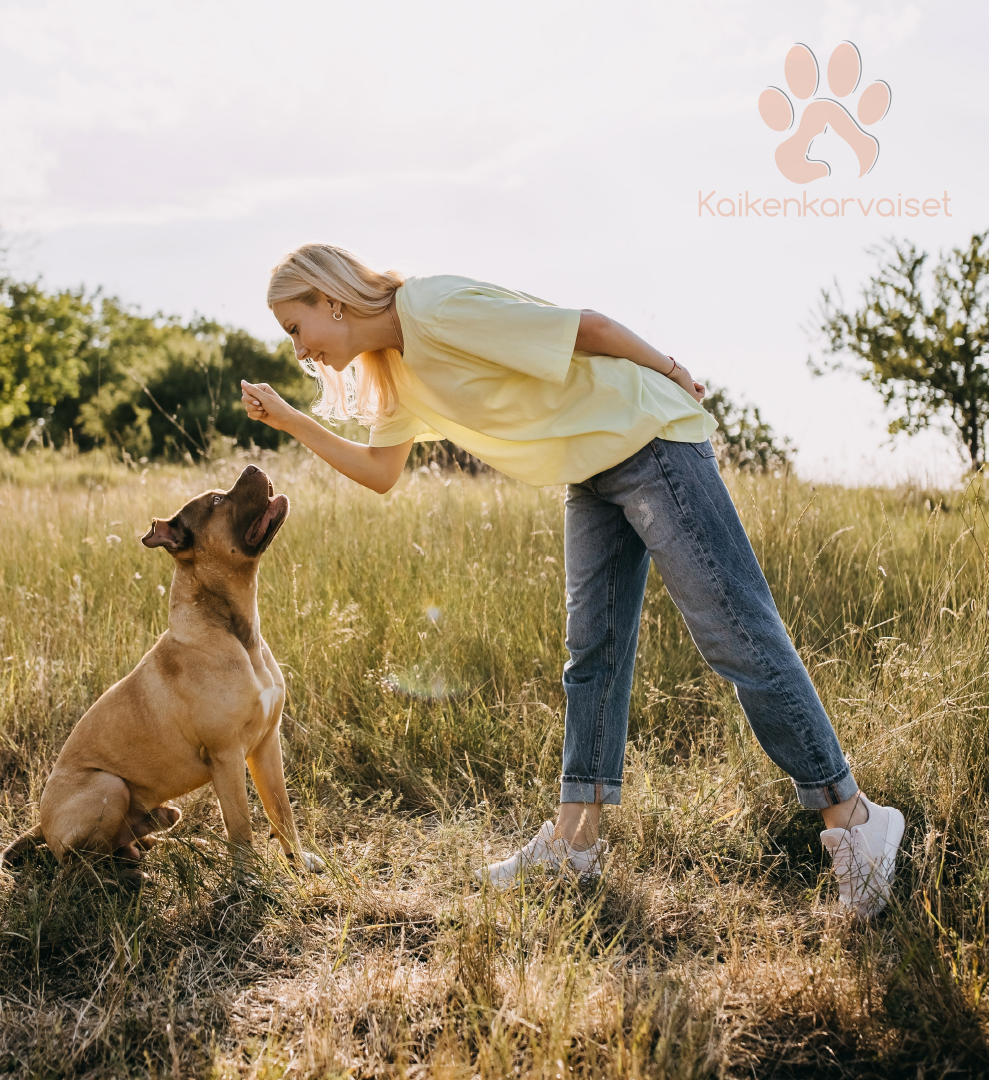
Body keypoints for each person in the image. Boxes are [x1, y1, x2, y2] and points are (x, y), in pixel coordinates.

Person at [240, 243, 904, 916]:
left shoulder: (433, 306)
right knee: (593, 657)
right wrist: (291, 420)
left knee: (735, 632)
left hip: (646, 437)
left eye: (297, 328)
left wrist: (671, 369)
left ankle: (853, 820)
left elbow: (584, 328)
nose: (299, 349)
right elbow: (382, 474)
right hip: (591, 466)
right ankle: (574, 843)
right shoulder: (395, 371)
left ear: (330, 299)